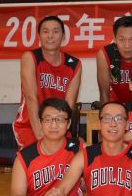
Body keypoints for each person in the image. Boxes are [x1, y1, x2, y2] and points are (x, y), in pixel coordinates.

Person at [13, 16, 82, 149]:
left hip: (58, 127)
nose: (50, 36)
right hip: (30, 126)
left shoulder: (74, 65)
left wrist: (58, 133)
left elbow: (69, 104)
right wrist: (40, 134)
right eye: (45, 31)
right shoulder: (31, 58)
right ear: (39, 36)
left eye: (55, 31)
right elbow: (31, 97)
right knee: (38, 159)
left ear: (63, 36)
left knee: (73, 156)